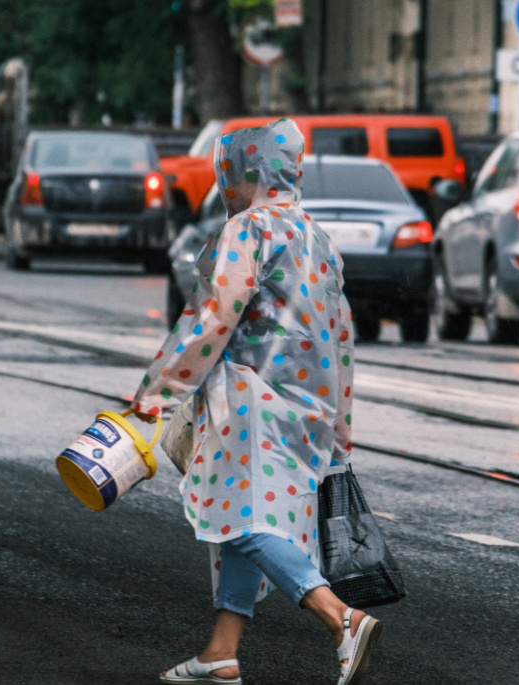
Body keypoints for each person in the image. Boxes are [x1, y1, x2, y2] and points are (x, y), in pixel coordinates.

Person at [131, 118, 381, 685]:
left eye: (231, 174)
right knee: (248, 515)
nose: (226, 186)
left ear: (245, 174)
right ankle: (221, 653)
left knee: (233, 515)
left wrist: (157, 393)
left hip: (249, 398)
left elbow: (214, 315)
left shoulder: (248, 229)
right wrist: (340, 429)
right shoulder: (317, 236)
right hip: (311, 409)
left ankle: (341, 619)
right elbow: (341, 335)